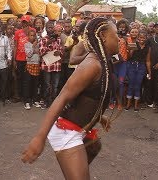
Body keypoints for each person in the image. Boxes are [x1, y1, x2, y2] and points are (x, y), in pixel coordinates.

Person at [21, 17, 119, 179]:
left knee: (93, 147)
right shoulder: (91, 65)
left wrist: (99, 116)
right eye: (116, 34)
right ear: (103, 35)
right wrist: (40, 138)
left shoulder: (103, 61)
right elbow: (62, 98)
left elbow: (92, 95)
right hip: (66, 132)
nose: (119, 38)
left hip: (81, 129)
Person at [125, 30, 149, 112]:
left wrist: (150, 72)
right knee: (131, 84)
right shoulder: (134, 44)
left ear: (146, 38)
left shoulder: (148, 48)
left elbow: (148, 61)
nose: (142, 39)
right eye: (140, 37)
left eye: (143, 38)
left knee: (138, 85)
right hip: (132, 65)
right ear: (138, 38)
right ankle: (128, 104)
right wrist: (131, 49)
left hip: (141, 67)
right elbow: (129, 56)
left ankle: (136, 105)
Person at [24, 29, 41, 109]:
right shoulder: (27, 44)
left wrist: (36, 49)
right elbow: (29, 54)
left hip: (37, 65)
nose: (32, 37)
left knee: (36, 84)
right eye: (31, 35)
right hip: (29, 65)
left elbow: (39, 53)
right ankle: (27, 101)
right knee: (28, 84)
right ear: (28, 36)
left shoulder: (38, 44)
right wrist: (33, 47)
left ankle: (35, 100)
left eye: (34, 35)